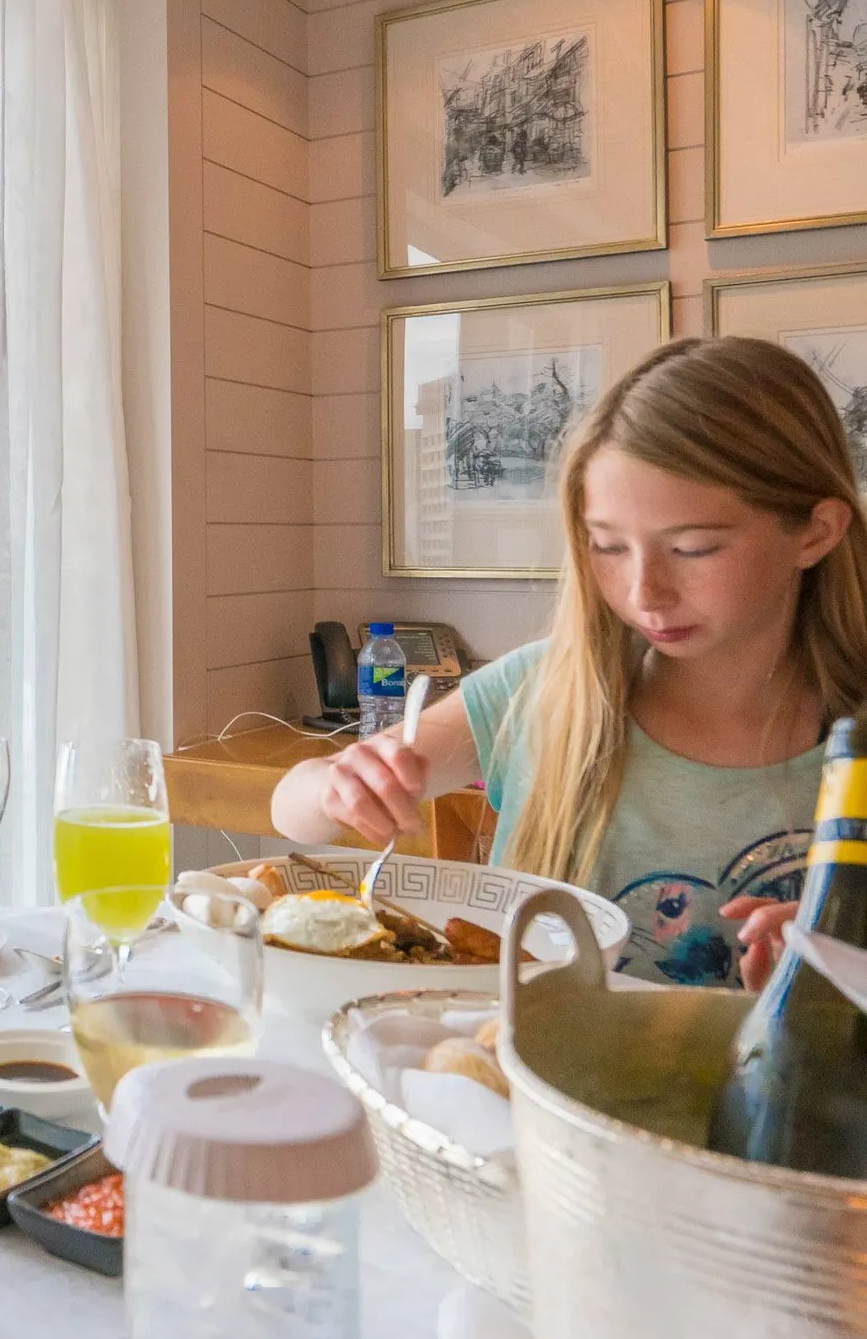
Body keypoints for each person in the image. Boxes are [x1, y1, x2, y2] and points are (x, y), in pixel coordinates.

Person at [270, 338, 867, 987]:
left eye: (693, 548)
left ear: (814, 531)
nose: (645, 592)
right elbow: (291, 809)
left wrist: (845, 969)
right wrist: (339, 784)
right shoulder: (546, 689)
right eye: (608, 546)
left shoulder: (848, 739)